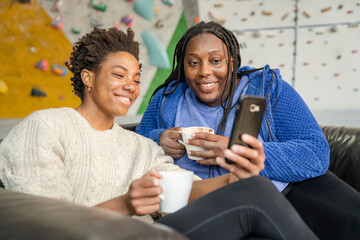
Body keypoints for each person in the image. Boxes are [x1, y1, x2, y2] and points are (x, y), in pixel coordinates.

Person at [0, 27, 318, 240]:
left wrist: (234, 180)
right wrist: (125, 204)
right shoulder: (46, 126)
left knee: (256, 189)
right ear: (88, 77)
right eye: (119, 75)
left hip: (159, 232)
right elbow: (47, 226)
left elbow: (181, 194)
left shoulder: (141, 147)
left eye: (137, 79)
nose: (131, 86)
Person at [136, 21, 330, 192]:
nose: (204, 72)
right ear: (183, 66)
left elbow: (316, 154)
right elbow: (133, 148)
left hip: (263, 200)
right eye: (194, 62)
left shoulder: (267, 88)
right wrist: (158, 140)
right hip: (195, 204)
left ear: (232, 62)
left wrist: (235, 151)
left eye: (215, 61)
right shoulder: (166, 98)